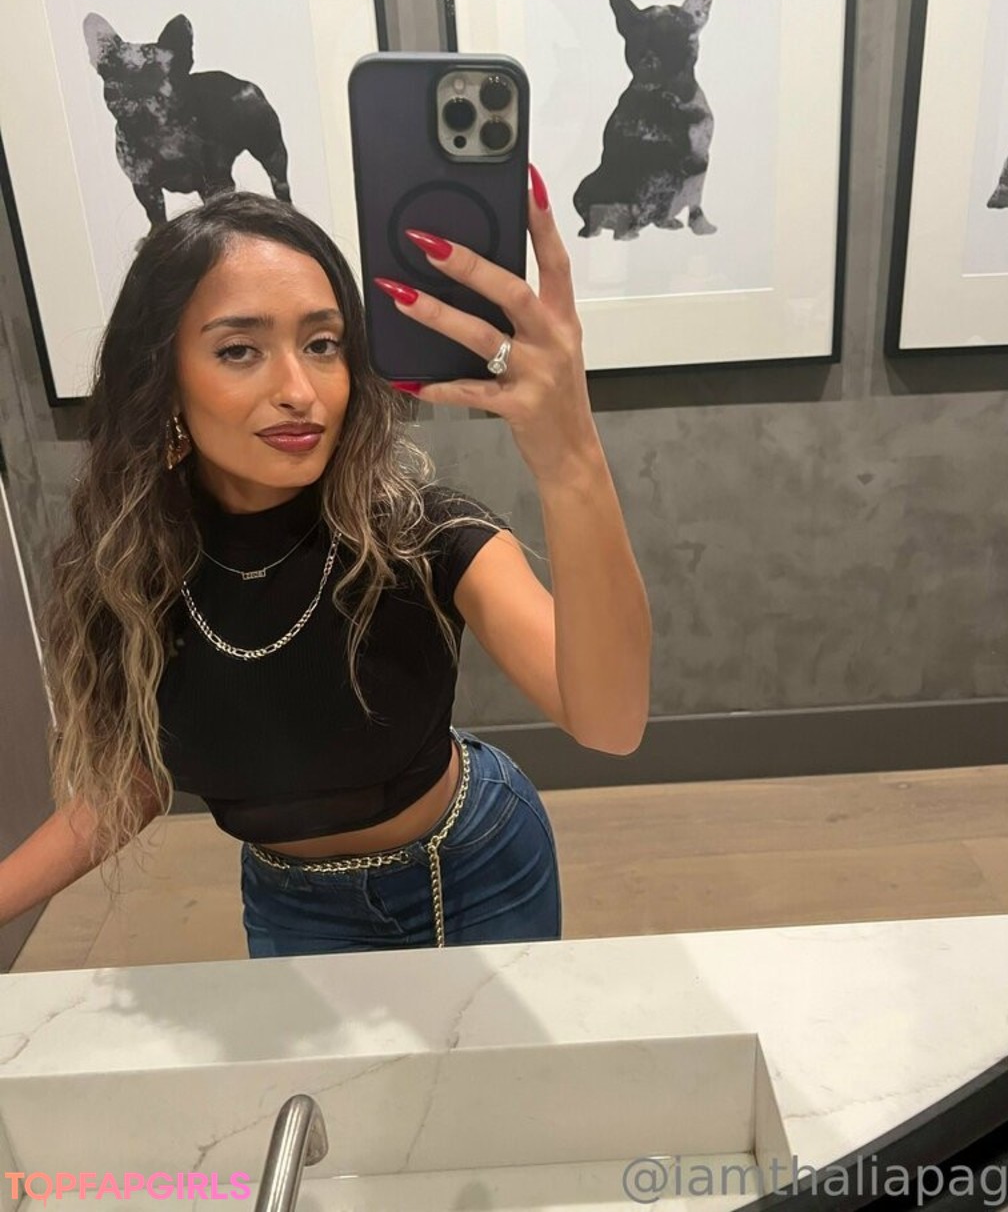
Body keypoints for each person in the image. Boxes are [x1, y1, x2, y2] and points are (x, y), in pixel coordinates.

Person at [0, 172, 651, 957]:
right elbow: (134, 778)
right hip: (289, 900)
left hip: (470, 867)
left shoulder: (421, 535)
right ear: (163, 380)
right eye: (239, 350)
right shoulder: (135, 566)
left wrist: (570, 458)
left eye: (322, 344)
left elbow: (611, 723)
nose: (299, 390)